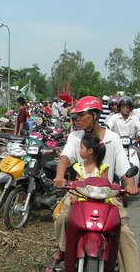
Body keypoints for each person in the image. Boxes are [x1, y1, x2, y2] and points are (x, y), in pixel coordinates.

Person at [48, 96, 139, 272]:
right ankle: (63, 251)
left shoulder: (113, 138)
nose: (77, 120)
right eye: (76, 117)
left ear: (95, 115)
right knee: (63, 218)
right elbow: (65, 157)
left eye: (82, 115)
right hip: (79, 193)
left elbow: (124, 168)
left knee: (124, 231)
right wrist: (60, 176)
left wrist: (130, 184)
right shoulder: (76, 137)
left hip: (107, 196)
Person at [47, 132, 108, 271]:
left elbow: (105, 185)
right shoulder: (79, 167)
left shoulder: (103, 168)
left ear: (90, 151)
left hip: (97, 200)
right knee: (62, 217)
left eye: (81, 148)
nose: (79, 151)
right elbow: (77, 184)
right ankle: (62, 249)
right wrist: (73, 186)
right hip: (78, 198)